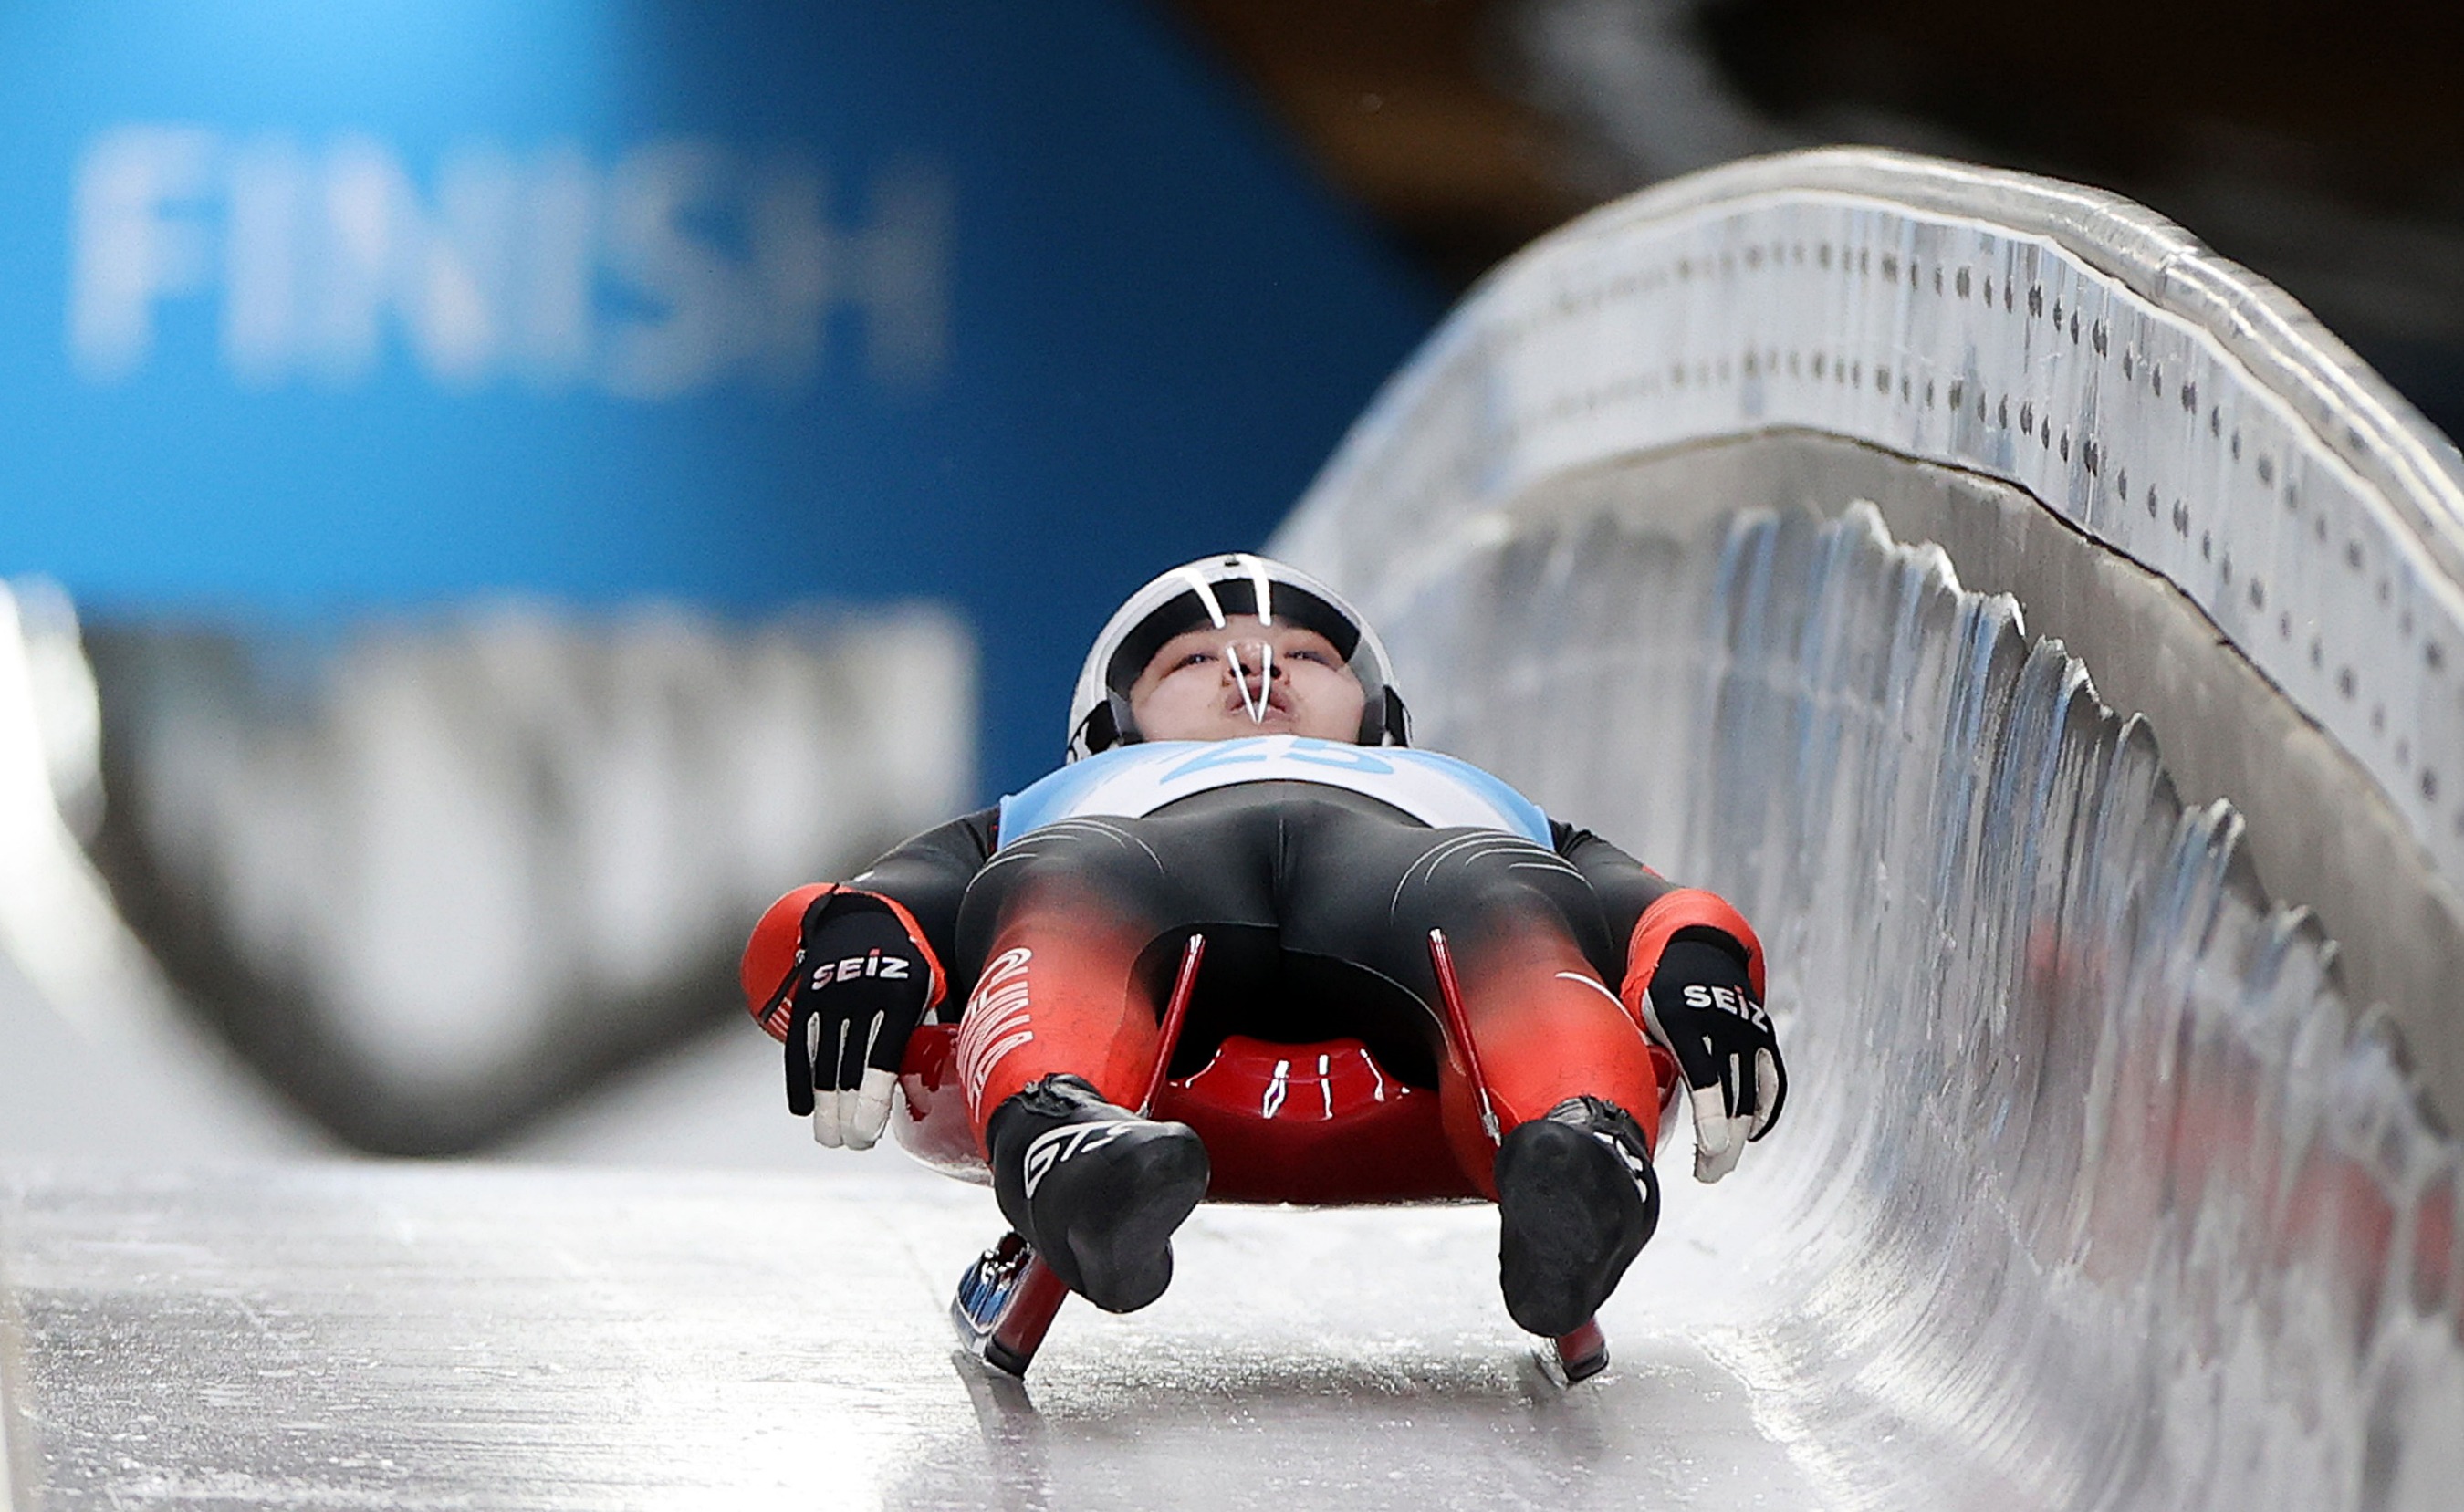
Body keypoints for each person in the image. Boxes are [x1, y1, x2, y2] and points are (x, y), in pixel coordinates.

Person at [742, 554, 1783, 1339]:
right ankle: (1069, 1137)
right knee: (1059, 886)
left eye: (1309, 659)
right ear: (1113, 728)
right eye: (1196, 659)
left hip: (1419, 875)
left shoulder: (1471, 800)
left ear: (1376, 716)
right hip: (1136, 867)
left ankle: (1578, 1146)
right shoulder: (1054, 806)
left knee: (1509, 897)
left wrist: (1699, 958)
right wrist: (857, 944)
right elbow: (866, 908)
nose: (1253, 667)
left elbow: (1646, 905)